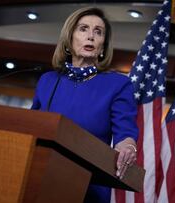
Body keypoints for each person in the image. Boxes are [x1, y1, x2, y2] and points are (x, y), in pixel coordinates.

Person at [31, 7, 139, 203]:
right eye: (83, 29)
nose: (91, 36)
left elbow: (126, 133)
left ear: (103, 45)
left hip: (88, 187)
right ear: (68, 39)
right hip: (39, 179)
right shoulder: (48, 80)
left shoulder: (118, 85)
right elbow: (32, 127)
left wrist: (128, 148)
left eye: (98, 32)